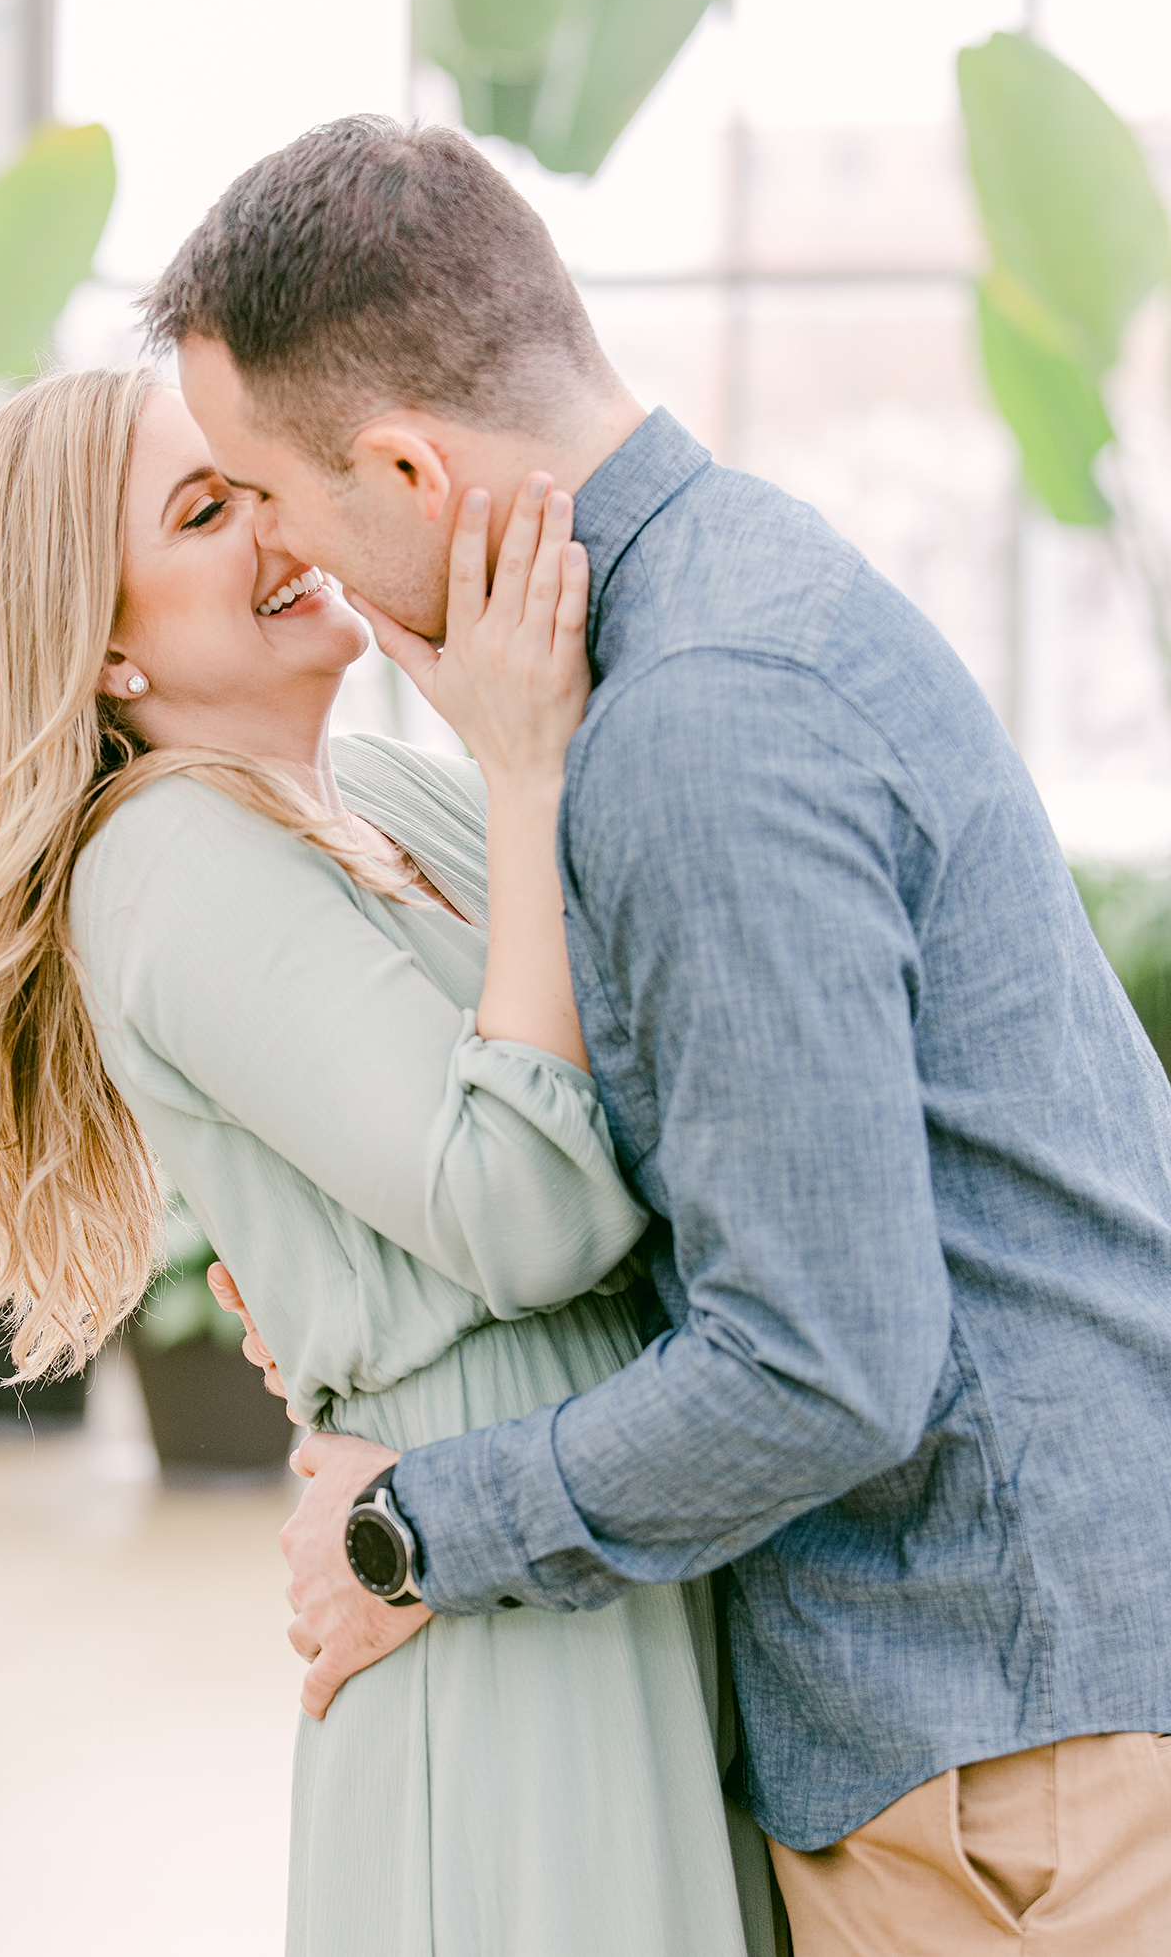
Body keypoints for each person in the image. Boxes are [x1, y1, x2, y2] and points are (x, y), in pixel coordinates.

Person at [145, 115, 1171, 1954]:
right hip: (1030, 1700)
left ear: (404, 461)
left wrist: (416, 1531)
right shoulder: (731, 603)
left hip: (1004, 1759)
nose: (285, 554)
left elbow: (824, 1358)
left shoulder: (699, 724)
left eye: (269, 493)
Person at [0, 364, 781, 1957]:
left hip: (583, 1525)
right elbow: (532, 1209)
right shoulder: (165, 859)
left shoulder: (367, 793)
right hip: (498, 1616)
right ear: (102, 651)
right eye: (202, 510)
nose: (276, 525)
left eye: (260, 484)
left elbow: (640, 1038)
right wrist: (524, 759)